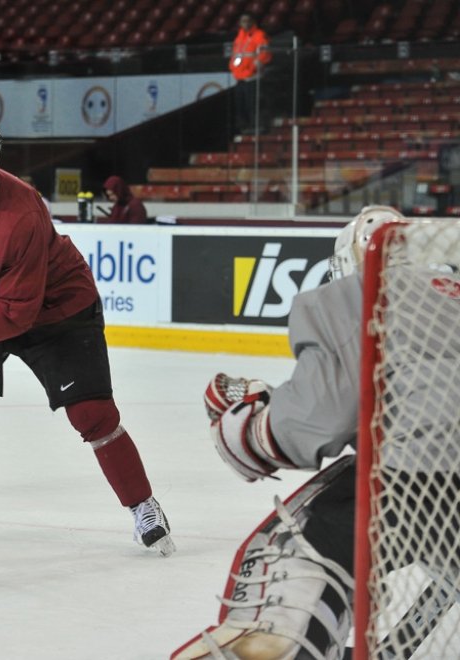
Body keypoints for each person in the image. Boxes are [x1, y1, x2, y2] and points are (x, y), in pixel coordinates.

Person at [171, 206, 455, 659]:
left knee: (297, 545)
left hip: (431, 486)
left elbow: (302, 428)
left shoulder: (360, 294)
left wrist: (241, 420)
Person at [0, 114, 175, 557]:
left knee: (92, 413)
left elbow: (17, 312)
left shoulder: (22, 215)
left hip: (57, 312)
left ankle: (144, 506)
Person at [229, 13, 271, 134]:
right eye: (243, 21)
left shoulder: (259, 35)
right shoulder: (239, 37)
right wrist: (232, 67)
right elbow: (235, 54)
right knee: (241, 105)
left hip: (252, 77)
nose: (245, 23)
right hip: (239, 77)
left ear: (253, 22)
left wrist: (253, 67)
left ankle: (256, 126)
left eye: (248, 20)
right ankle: (244, 127)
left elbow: (264, 54)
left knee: (252, 104)